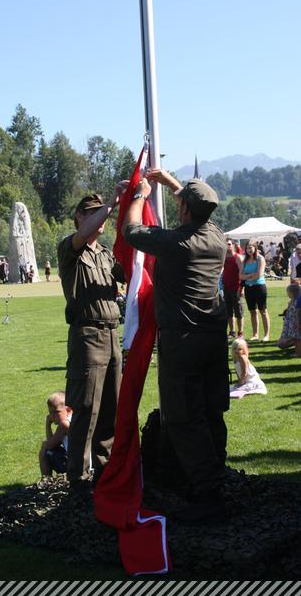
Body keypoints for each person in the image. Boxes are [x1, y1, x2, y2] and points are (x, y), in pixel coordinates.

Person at [123, 171, 229, 524]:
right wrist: (170, 183)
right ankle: (214, 477)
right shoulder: (216, 236)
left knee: (183, 416)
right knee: (211, 412)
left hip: (183, 341)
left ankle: (208, 493)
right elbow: (196, 205)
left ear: (184, 209)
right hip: (213, 339)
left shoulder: (178, 242)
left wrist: (139, 195)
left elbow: (131, 231)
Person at [57, 185, 126, 490]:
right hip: (88, 337)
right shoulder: (70, 249)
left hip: (112, 335)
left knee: (111, 410)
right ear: (79, 217)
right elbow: (83, 234)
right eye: (93, 213)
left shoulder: (106, 255)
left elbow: (132, 272)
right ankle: (78, 479)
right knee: (85, 411)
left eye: (103, 214)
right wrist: (111, 203)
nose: (101, 219)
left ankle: (105, 473)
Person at [240, 239, 270, 342]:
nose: (249, 249)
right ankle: (255, 335)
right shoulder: (244, 260)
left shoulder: (260, 259)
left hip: (259, 287)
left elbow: (259, 275)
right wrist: (251, 275)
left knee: (263, 311)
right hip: (248, 288)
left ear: (255, 248)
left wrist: (247, 276)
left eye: (251, 247)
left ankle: (266, 335)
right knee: (252, 311)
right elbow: (240, 276)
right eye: (247, 248)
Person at [39, 391, 73, 476]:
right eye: (50, 412)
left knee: (44, 451)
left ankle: (46, 481)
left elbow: (50, 445)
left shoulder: (64, 425)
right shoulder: (73, 419)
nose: (52, 416)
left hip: (75, 467)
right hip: (81, 463)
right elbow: (54, 444)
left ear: (68, 410)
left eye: (56, 412)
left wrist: (47, 425)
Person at [223, 240, 244, 339]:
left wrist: (242, 288)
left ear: (233, 245)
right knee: (229, 312)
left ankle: (240, 333)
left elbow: (242, 273)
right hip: (226, 288)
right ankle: (232, 332)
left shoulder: (238, 257)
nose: (227, 246)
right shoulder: (224, 258)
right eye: (226, 244)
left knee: (239, 312)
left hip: (236, 288)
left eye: (229, 244)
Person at [277, 284, 301, 351]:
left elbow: (297, 313)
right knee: (280, 344)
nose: (287, 294)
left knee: (296, 338)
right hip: (290, 325)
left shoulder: (297, 302)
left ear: (291, 293)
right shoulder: (291, 302)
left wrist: (298, 323)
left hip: (295, 324)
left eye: (287, 292)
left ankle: (298, 351)